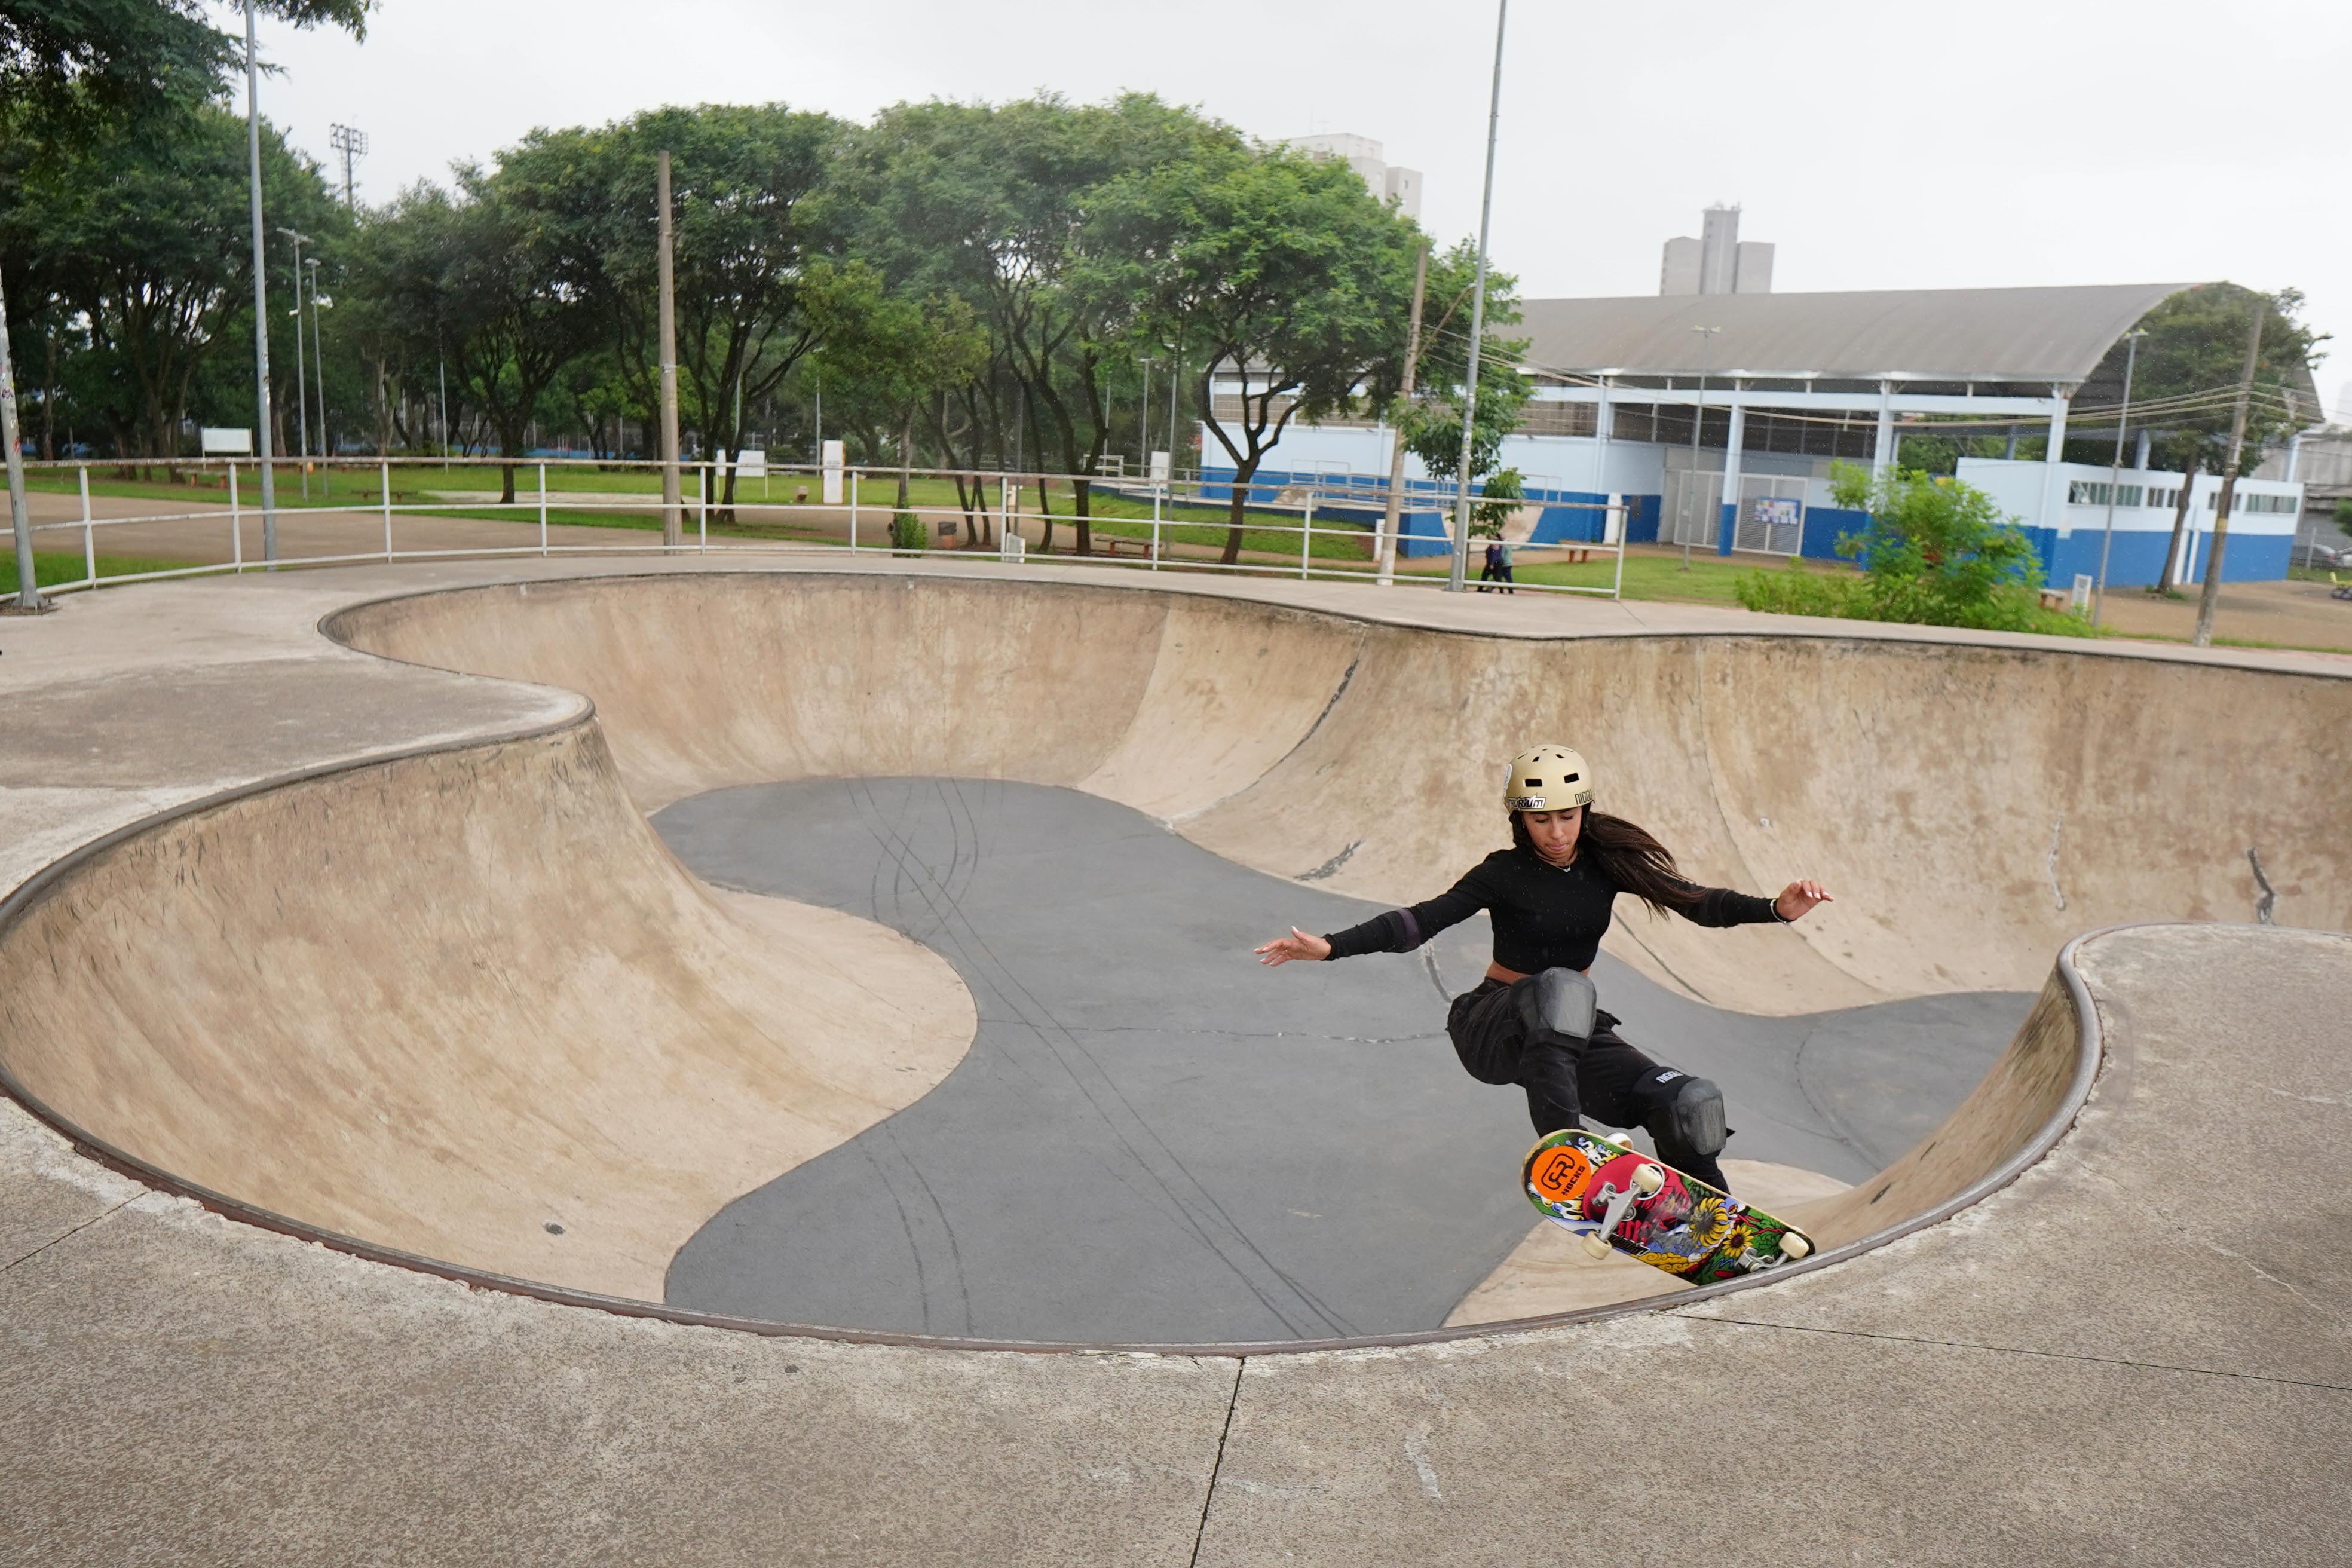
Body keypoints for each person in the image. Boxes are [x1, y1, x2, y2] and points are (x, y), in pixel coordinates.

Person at [1254, 745, 1831, 1192]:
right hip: (1492, 1025)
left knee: (1688, 1102)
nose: (1556, 834)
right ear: (1520, 821)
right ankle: (1568, 1154)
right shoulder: (1501, 872)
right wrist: (1331, 946)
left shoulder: (1608, 864)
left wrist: (1776, 910)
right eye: (1541, 821)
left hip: (1571, 1036)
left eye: (1567, 817)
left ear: (1585, 811)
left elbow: (1698, 902)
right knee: (1559, 987)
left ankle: (1713, 1229)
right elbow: (1419, 922)